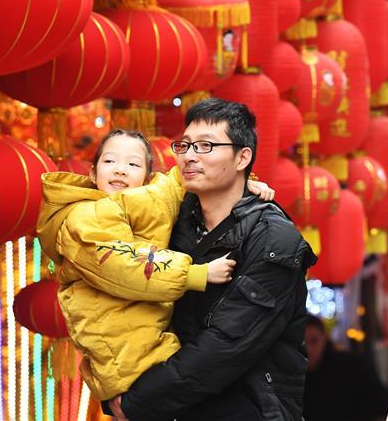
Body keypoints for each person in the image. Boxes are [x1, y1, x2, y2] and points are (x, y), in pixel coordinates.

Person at [111, 98, 317, 421]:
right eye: (186, 145)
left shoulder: (275, 240)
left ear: (242, 158)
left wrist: (136, 402)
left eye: (206, 146)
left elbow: (225, 346)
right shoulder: (177, 217)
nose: (190, 156)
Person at [37, 129, 260, 403]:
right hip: (121, 347)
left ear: (147, 177)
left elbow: (181, 181)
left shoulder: (149, 199)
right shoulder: (83, 216)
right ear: (93, 174)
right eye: (109, 162)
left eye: (132, 164)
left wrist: (243, 183)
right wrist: (194, 273)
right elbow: (121, 264)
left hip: (151, 332)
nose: (120, 170)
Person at [303, 315, 388, 421]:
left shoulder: (353, 367)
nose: (308, 349)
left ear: (324, 339)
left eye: (314, 341)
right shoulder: (285, 376)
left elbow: (383, 406)